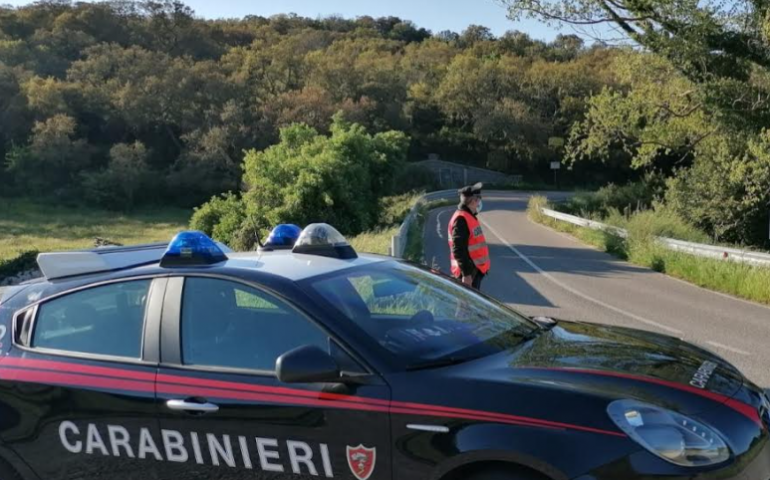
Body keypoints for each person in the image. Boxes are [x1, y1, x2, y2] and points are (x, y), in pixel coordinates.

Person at [448, 182, 490, 290]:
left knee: (467, 305)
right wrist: (466, 274)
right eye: (478, 199)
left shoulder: (468, 216)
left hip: (474, 272)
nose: (479, 202)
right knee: (466, 306)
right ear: (473, 200)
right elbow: (458, 249)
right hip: (468, 274)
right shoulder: (461, 219)